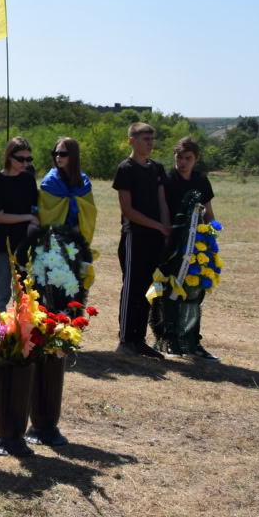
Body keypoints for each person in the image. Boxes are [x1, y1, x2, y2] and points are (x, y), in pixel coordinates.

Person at [112, 123, 170, 359]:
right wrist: (157, 225)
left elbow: (162, 201)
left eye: (151, 139)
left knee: (149, 289)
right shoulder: (125, 169)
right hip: (134, 236)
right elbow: (127, 209)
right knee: (132, 288)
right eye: (145, 138)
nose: (150, 143)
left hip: (155, 238)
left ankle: (139, 339)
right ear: (131, 140)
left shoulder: (157, 168)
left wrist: (166, 230)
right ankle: (126, 339)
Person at [159, 135, 218, 361]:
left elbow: (209, 213)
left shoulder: (201, 180)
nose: (182, 162)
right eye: (179, 157)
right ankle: (168, 339)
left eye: (187, 158)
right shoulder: (167, 178)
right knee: (169, 293)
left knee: (194, 293)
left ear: (196, 158)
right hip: (171, 245)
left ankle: (192, 341)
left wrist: (211, 240)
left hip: (197, 245)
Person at [0, 137, 39, 307]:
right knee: (1, 291)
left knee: (25, 292)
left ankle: (21, 331)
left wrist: (34, 221)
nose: (25, 163)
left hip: (25, 243)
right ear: (9, 156)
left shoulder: (28, 179)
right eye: (20, 159)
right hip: (2, 243)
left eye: (28, 159)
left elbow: (34, 207)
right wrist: (28, 218)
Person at [38, 137, 96, 243]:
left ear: (73, 155)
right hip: (54, 239)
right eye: (55, 153)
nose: (58, 157)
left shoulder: (84, 182)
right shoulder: (50, 181)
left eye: (63, 154)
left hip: (78, 236)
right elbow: (45, 215)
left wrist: (77, 228)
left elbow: (89, 213)